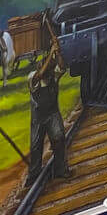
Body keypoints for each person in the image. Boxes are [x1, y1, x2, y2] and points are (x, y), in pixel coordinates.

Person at [25, 52, 72, 186]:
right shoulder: (33, 77)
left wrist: (58, 52)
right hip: (38, 118)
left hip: (52, 114)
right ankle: (33, 176)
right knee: (36, 146)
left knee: (59, 139)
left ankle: (60, 170)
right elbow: (39, 75)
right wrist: (51, 52)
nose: (49, 75)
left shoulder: (53, 76)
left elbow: (62, 66)